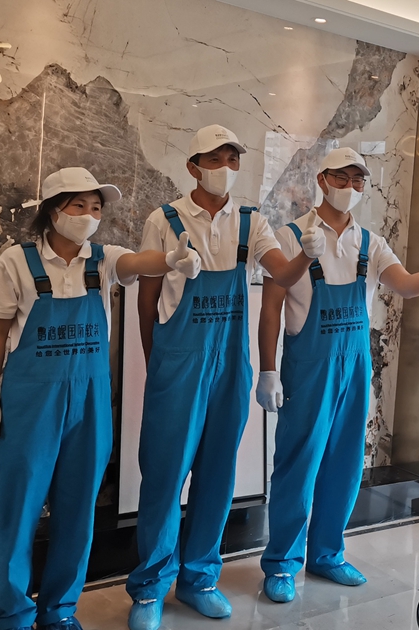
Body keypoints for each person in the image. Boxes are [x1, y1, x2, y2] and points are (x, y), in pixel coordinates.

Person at [0, 167, 201, 630]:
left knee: (78, 511)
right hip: (30, 402)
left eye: (96, 207)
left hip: (90, 404)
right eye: (78, 205)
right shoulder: (16, 262)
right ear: (52, 211)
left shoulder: (103, 259)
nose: (89, 215)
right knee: (19, 510)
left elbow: (137, 264)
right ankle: (13, 615)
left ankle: (59, 612)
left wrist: (171, 260)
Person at [125, 125, 324, 630]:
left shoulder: (250, 221)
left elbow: (281, 274)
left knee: (217, 475)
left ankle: (199, 579)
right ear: (193, 166)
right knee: (164, 475)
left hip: (230, 365)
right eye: (215, 159)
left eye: (233, 159)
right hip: (178, 363)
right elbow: (147, 300)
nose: (226, 168)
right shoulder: (164, 220)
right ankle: (149, 588)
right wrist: (157, 362)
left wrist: (307, 254)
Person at [256, 147, 419, 602]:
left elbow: (404, 284)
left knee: (346, 462)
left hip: (355, 368)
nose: (351, 187)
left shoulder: (370, 243)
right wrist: (268, 370)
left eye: (359, 180)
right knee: (298, 463)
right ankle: (282, 564)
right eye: (343, 177)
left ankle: (327, 554)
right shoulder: (290, 237)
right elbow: (270, 308)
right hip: (308, 369)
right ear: (322, 179)